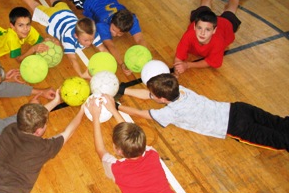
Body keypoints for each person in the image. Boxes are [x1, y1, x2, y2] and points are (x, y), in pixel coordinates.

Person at [87, 95, 208, 193]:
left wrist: (95, 117)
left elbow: (100, 151)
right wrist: (113, 110)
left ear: (118, 150)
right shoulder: (152, 154)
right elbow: (136, 140)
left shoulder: (116, 170)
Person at [118, 73, 288, 151]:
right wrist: (123, 90)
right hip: (239, 109)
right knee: (278, 122)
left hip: (237, 126)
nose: (151, 96)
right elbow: (150, 95)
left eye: (154, 95)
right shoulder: (179, 89)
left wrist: (118, 107)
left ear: (162, 99)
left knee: (278, 139)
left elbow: (143, 114)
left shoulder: (170, 112)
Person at [40, 0, 144, 76]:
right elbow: (110, 45)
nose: (114, 34)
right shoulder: (102, 24)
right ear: (111, 22)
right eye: (114, 30)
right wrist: (121, 63)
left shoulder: (131, 18)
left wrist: (143, 58)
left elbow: (140, 39)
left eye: (119, 33)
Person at [7, 0, 108, 79]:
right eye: (86, 40)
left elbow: (103, 49)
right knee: (34, 5)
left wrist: (110, 63)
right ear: (76, 36)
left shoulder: (91, 31)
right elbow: (73, 60)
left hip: (65, 11)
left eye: (91, 39)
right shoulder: (68, 39)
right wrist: (82, 75)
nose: (90, 43)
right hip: (51, 17)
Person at [174, 0, 251, 75]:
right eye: (199, 28)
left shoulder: (218, 41)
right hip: (206, 20)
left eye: (207, 30)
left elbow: (210, 62)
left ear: (214, 30)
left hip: (225, 25)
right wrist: (176, 73)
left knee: (231, 9)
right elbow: (178, 57)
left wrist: (188, 65)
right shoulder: (189, 34)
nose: (202, 33)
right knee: (204, 4)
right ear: (194, 27)